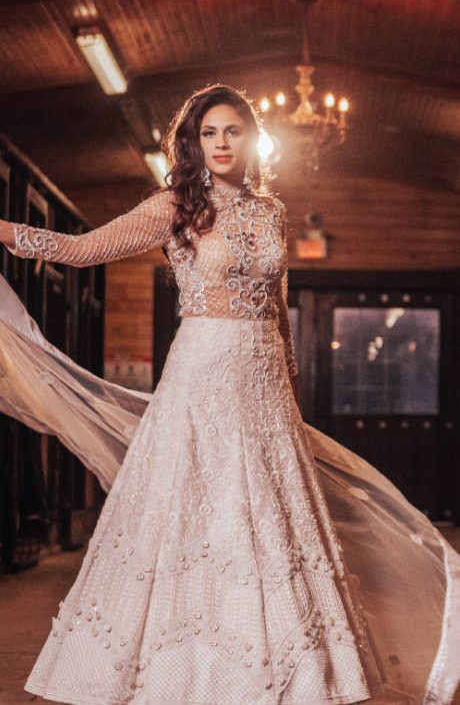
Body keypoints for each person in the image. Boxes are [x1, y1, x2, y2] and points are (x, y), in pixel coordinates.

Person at [0, 84, 459, 705]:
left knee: (270, 519)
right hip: (202, 374)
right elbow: (83, 249)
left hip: (265, 384)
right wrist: (5, 230)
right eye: (208, 133)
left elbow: (279, 310)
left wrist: (293, 398)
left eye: (232, 131)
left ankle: (290, 674)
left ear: (252, 139)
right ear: (192, 141)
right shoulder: (175, 205)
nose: (220, 143)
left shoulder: (272, 212)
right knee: (192, 512)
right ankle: (183, 672)